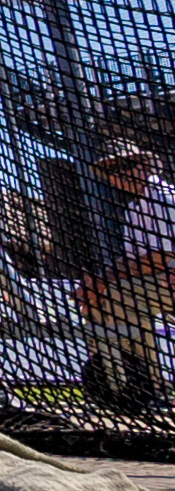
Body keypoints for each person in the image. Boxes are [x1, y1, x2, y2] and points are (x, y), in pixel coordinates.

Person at [78, 138, 175, 402]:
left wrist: (107, 281)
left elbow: (160, 259)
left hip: (169, 281)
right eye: (112, 170)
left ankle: (150, 387)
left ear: (145, 165)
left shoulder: (163, 198)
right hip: (160, 284)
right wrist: (99, 282)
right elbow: (131, 259)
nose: (119, 175)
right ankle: (117, 379)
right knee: (101, 301)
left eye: (126, 165)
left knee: (120, 296)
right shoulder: (134, 208)